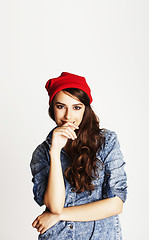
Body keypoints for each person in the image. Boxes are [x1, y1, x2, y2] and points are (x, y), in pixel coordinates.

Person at [30, 72, 127, 240]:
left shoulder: (106, 142)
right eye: (61, 106)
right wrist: (55, 152)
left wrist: (59, 215)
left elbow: (115, 204)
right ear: (52, 108)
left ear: (85, 109)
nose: (68, 116)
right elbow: (55, 205)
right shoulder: (42, 152)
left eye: (76, 107)